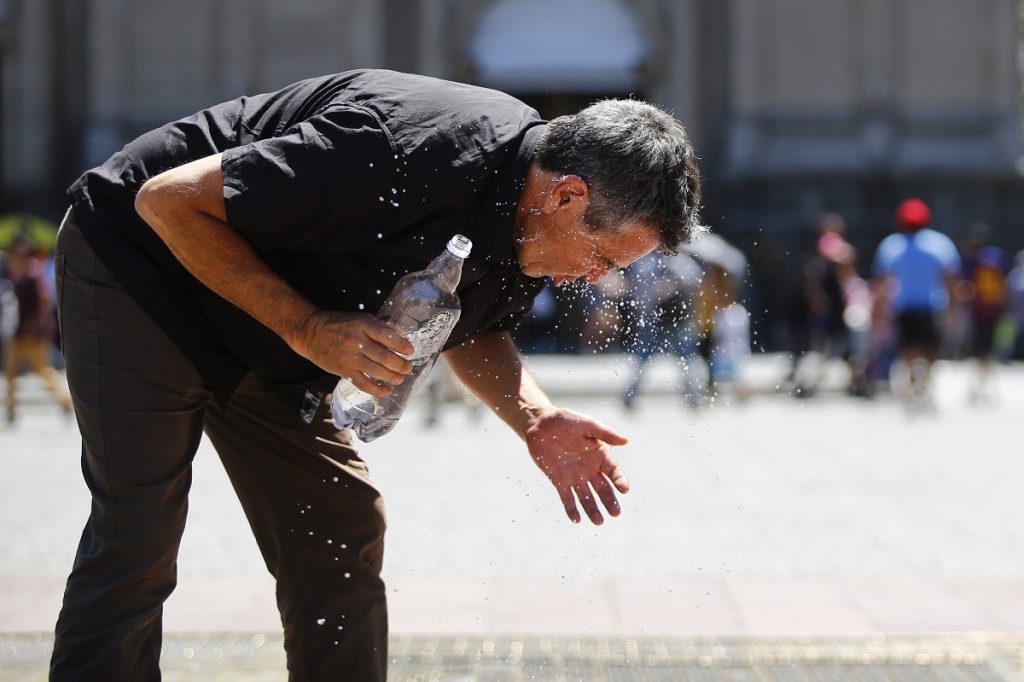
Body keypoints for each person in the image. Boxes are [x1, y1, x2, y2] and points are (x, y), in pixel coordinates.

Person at [49, 69, 703, 681]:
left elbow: (473, 330)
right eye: (600, 256)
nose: (596, 279)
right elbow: (166, 202)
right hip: (141, 265)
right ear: (567, 196)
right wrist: (306, 326)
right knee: (140, 527)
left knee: (339, 523)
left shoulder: (527, 230)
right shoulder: (405, 149)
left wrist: (532, 417)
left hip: (262, 318)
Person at [871, 198, 960, 412]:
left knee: (908, 350)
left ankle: (913, 385)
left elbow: (882, 283)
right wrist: (954, 309)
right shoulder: (939, 243)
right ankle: (923, 384)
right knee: (931, 351)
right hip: (932, 306)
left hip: (905, 306)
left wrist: (879, 312)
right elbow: (951, 280)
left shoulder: (892, 245)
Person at [2, 235, 72, 423]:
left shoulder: (34, 274)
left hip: (35, 334)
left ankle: (65, 401)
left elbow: (44, 301)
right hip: (17, 333)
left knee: (43, 370)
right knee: (10, 372)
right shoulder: (15, 273)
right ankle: (11, 409)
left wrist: (38, 325)